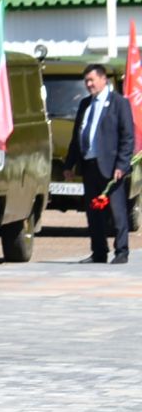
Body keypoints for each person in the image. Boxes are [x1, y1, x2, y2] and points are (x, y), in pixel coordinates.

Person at [64, 63, 134, 264]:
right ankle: (99, 252)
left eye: (92, 80)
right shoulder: (85, 104)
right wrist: (70, 165)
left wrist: (122, 164)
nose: (89, 84)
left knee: (117, 211)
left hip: (112, 168)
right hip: (90, 164)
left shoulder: (119, 103)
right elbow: (77, 136)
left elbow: (127, 136)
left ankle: (121, 251)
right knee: (93, 211)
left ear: (104, 80)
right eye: (86, 81)